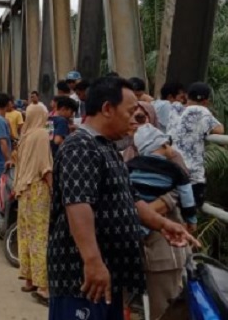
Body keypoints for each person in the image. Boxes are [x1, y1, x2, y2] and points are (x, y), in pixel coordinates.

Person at [47, 77, 197, 320]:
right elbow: (78, 205)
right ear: (107, 109)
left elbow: (132, 199)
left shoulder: (107, 148)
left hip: (108, 274)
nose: (133, 120)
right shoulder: (81, 147)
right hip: (82, 279)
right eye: (129, 112)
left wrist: (163, 224)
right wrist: (93, 262)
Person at [127, 124, 197, 319]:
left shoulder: (129, 166)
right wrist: (191, 220)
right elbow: (187, 197)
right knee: (166, 308)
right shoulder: (175, 170)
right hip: (163, 251)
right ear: (164, 145)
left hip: (136, 241)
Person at [14, 103, 53, 302]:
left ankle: (29, 279)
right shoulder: (42, 135)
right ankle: (43, 286)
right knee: (40, 236)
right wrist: (54, 189)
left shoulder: (25, 136)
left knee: (25, 235)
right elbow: (45, 167)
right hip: (38, 189)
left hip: (23, 191)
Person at [167, 82, 224, 208]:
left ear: (187, 96)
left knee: (173, 212)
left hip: (171, 169)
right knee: (190, 213)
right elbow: (219, 129)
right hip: (191, 176)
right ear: (206, 101)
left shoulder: (175, 108)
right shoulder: (201, 111)